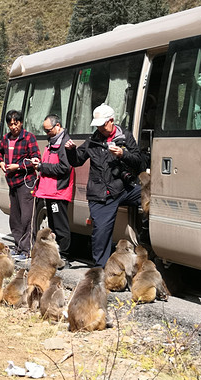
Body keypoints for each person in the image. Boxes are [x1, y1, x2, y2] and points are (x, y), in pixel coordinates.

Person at [65, 103, 142, 267]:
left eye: (102, 125)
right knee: (101, 234)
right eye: (97, 125)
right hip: (101, 193)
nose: (99, 128)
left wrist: (123, 154)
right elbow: (77, 161)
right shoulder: (93, 140)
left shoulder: (125, 136)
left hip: (122, 188)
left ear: (111, 121)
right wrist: (71, 150)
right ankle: (101, 270)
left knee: (151, 197)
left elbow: (139, 162)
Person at [0, 110, 41, 261]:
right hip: (12, 182)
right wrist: (1, 162)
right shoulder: (6, 139)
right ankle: (18, 246)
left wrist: (19, 166)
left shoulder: (29, 138)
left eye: (16, 123)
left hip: (26, 182)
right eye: (10, 124)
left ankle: (27, 249)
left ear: (21, 123)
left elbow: (35, 159)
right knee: (14, 217)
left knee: (27, 217)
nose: (13, 127)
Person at [31, 114, 74, 265]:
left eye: (48, 130)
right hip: (49, 190)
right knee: (54, 226)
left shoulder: (64, 143)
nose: (46, 133)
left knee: (60, 226)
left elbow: (64, 168)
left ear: (58, 126)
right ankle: (55, 256)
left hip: (58, 191)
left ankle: (64, 256)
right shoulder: (53, 141)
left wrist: (42, 167)